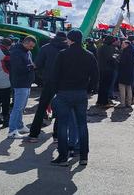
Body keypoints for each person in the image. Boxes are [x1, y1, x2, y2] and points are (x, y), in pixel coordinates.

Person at [51, 30, 99, 166]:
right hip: (81, 93)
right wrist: (89, 90)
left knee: (63, 125)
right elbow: (95, 76)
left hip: (64, 92)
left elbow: (55, 75)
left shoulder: (62, 55)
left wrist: (56, 91)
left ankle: (63, 156)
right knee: (82, 125)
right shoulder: (89, 55)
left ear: (70, 40)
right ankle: (83, 156)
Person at [27, 32, 69, 142]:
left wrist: (42, 74)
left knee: (42, 107)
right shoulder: (68, 49)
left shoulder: (46, 48)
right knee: (61, 108)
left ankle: (33, 135)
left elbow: (37, 64)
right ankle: (57, 136)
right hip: (64, 82)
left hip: (49, 80)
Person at [7, 36, 37, 139]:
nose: (31, 48)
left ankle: (19, 126)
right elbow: (18, 68)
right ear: (25, 43)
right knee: (17, 108)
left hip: (26, 83)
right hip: (20, 83)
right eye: (30, 46)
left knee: (21, 107)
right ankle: (12, 131)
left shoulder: (26, 52)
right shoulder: (16, 52)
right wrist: (31, 66)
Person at [96, 36, 118, 108]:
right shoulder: (108, 48)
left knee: (102, 86)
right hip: (108, 69)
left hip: (101, 69)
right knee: (106, 87)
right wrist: (116, 57)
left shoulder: (101, 47)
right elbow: (110, 58)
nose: (114, 42)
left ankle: (99, 101)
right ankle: (105, 102)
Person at [118, 40, 134, 108]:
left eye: (123, 44)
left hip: (123, 72)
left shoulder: (125, 52)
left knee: (122, 88)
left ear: (127, 44)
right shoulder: (133, 52)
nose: (122, 45)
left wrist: (117, 60)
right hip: (130, 72)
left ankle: (122, 103)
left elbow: (122, 63)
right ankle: (129, 103)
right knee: (129, 88)